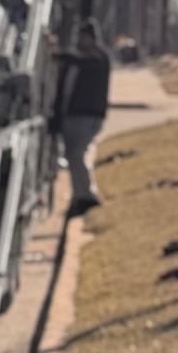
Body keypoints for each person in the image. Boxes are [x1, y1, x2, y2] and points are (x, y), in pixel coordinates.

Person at [54, 22, 111, 215]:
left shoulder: (99, 58)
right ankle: (79, 195)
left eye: (83, 37)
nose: (79, 41)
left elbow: (83, 62)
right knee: (72, 155)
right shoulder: (79, 61)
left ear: (92, 38)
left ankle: (88, 195)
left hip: (88, 116)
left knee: (78, 154)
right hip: (73, 116)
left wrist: (58, 53)